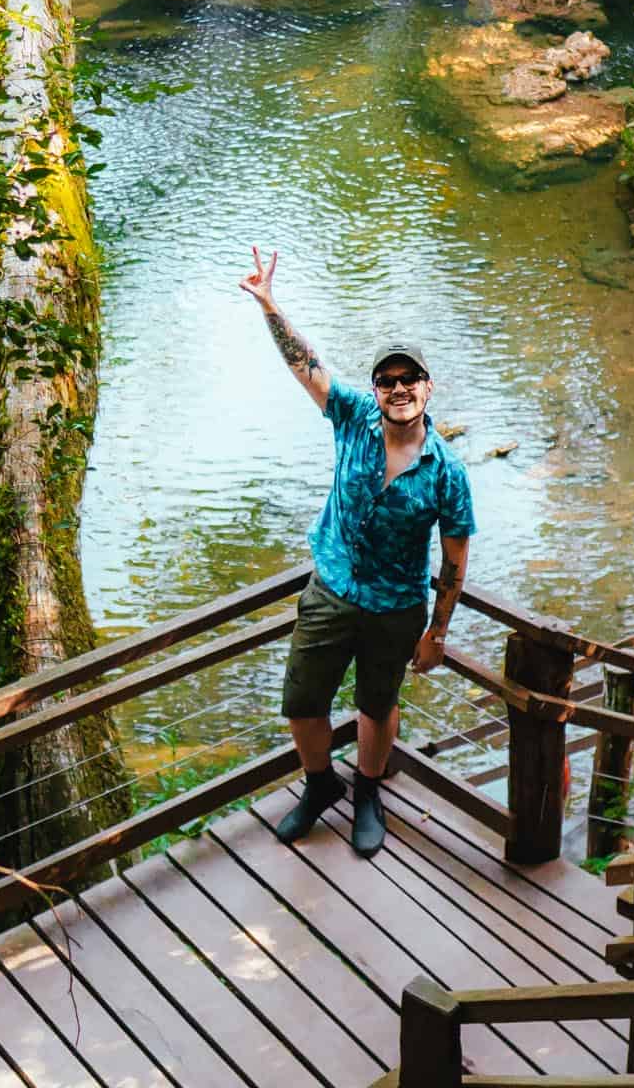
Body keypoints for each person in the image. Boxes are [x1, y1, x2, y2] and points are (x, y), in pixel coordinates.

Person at [239, 246, 475, 857]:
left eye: (409, 379)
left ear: (428, 387)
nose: (399, 389)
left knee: (378, 705)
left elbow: (453, 561)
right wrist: (269, 303)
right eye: (388, 381)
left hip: (397, 608)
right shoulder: (349, 416)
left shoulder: (446, 473)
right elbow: (304, 363)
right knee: (302, 702)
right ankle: (320, 785)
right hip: (332, 590)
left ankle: (367, 792)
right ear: (376, 390)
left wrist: (438, 633)